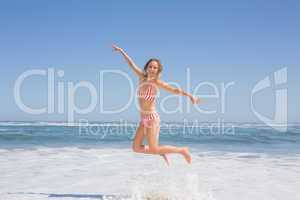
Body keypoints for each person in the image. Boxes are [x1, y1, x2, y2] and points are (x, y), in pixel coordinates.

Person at [112, 44, 201, 165]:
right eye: (150, 66)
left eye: (155, 68)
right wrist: (121, 51)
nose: (152, 69)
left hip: (152, 118)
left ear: (158, 70)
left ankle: (182, 150)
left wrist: (190, 96)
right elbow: (131, 64)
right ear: (146, 68)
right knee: (136, 148)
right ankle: (160, 151)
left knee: (153, 148)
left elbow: (174, 90)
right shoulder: (141, 77)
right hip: (143, 119)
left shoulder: (157, 83)